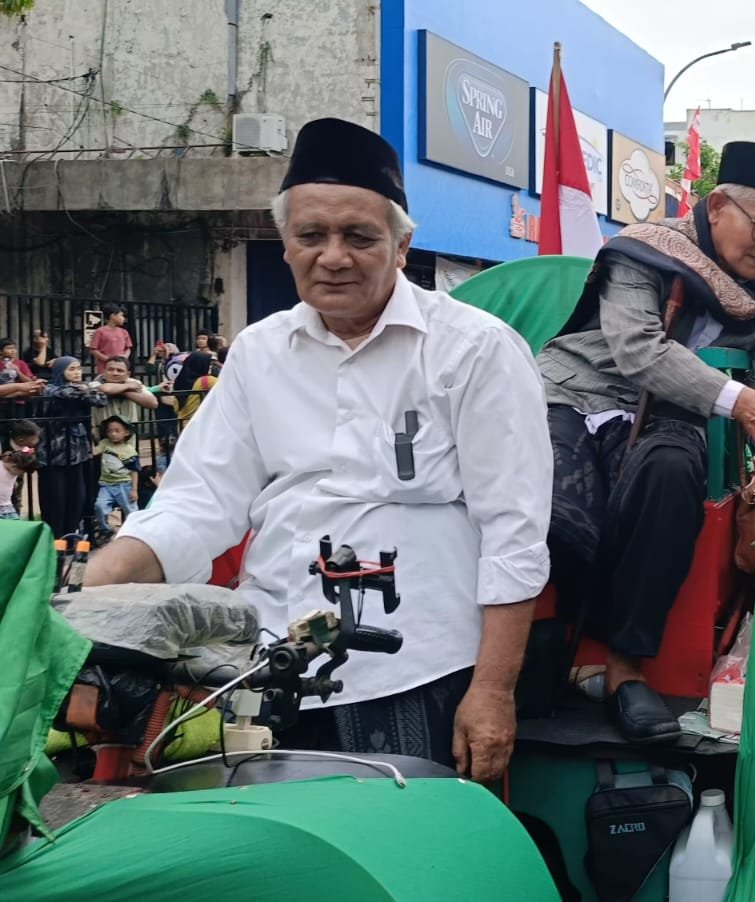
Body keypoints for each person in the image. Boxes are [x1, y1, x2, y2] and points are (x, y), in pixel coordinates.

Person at [86, 118, 552, 782]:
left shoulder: (475, 349)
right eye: (312, 236)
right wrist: (93, 586)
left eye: (359, 236)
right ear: (285, 244)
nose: (334, 256)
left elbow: (514, 531)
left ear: (401, 244)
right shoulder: (260, 350)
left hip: (420, 666)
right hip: (268, 664)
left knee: (404, 860)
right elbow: (199, 501)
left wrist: (494, 690)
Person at [538, 140, 755, 742]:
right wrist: (742, 402)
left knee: (671, 473)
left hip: (675, 410)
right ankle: (541, 650)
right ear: (717, 205)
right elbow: (638, 349)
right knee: (552, 498)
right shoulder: (645, 250)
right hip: (574, 392)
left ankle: (624, 669)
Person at [35, 357, 107, 538]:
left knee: (77, 497)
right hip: (54, 453)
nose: (77, 372)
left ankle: (72, 537)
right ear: (60, 371)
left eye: (78, 368)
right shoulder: (51, 388)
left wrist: (88, 389)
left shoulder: (81, 388)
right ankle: (56, 539)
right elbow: (67, 394)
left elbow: (101, 399)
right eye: (71, 369)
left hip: (78, 453)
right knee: (56, 499)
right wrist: (88, 388)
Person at [92, 415, 139, 539]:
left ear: (126, 432)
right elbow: (94, 451)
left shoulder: (129, 451)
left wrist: (134, 489)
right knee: (99, 506)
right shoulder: (105, 443)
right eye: (110, 431)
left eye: (117, 431)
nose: (113, 434)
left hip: (124, 485)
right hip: (106, 484)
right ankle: (105, 529)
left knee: (130, 510)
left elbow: (134, 471)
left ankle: (135, 532)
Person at [91, 356, 159, 431]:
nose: (115, 373)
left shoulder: (135, 383)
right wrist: (128, 387)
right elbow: (105, 389)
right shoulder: (96, 383)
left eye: (120, 370)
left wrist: (122, 392)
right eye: (110, 370)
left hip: (128, 433)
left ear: (128, 374)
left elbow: (153, 403)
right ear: (104, 371)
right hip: (103, 432)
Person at [159, 351, 218, 428]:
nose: (210, 366)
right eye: (208, 363)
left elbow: (176, 408)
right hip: (202, 425)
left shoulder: (179, 382)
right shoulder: (207, 380)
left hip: (183, 425)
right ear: (200, 365)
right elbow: (226, 387)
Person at [0, 420, 40, 520]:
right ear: (21, 440)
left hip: (8, 500)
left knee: (16, 496)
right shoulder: (5, 445)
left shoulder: (26, 452)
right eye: (34, 438)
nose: (38, 441)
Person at [88, 304, 135, 376]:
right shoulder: (100, 331)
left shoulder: (124, 332)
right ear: (113, 316)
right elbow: (93, 350)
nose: (123, 318)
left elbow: (128, 348)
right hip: (105, 368)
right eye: (121, 315)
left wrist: (124, 357)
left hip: (121, 366)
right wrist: (108, 359)